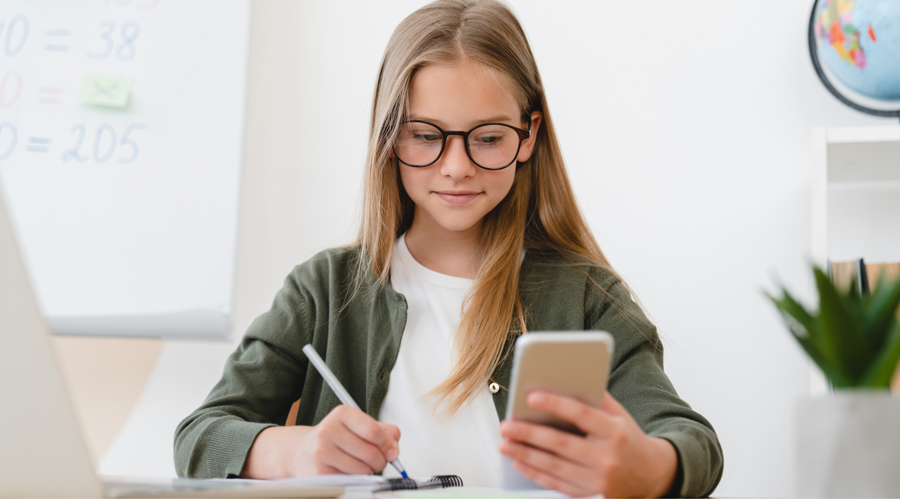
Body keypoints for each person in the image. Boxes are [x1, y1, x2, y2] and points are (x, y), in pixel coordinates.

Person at [174, 1, 724, 497]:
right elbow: (199, 438)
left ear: (528, 136)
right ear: (389, 135)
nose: (456, 166)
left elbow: (692, 442)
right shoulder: (325, 289)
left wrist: (648, 467)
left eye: (487, 137)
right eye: (425, 135)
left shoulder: (585, 295)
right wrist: (295, 453)